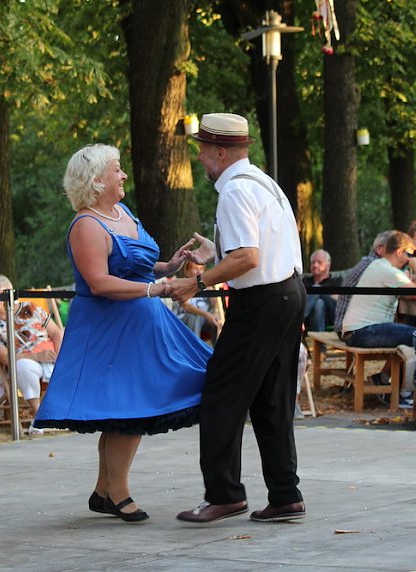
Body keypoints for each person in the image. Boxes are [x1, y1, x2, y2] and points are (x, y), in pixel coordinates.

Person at [33, 143, 210, 524]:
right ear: (97, 180)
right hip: (109, 329)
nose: (123, 175)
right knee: (125, 410)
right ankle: (118, 493)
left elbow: (141, 267)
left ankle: (103, 491)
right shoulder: (86, 225)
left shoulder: (122, 212)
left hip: (142, 326)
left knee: (128, 409)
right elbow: (99, 283)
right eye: (117, 169)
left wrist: (170, 265)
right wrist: (157, 289)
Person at [169, 113, 305, 524]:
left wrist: (198, 283)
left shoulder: (232, 193)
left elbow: (248, 258)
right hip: (288, 293)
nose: (200, 160)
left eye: (204, 152)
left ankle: (225, 494)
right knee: (272, 401)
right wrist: (219, 249)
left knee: (221, 396)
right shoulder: (263, 183)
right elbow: (256, 248)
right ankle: (285, 494)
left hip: (260, 302)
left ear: (222, 151)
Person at [0, 274, 64, 432]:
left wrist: (61, 360)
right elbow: (5, 358)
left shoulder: (30, 308)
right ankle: (41, 416)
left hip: (51, 356)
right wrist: (36, 356)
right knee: (23, 367)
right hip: (23, 361)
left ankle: (65, 413)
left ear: (10, 292)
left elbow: (56, 334)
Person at [340, 231, 416, 349]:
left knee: (413, 333)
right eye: (410, 255)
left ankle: (391, 369)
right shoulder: (389, 272)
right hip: (365, 331)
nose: (409, 260)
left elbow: (409, 295)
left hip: (355, 332)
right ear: (399, 252)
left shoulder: (378, 265)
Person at [333, 231, 392, 337]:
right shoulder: (376, 266)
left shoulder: (369, 262)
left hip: (345, 327)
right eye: (394, 248)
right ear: (380, 249)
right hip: (351, 330)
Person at [173, 261, 222, 343]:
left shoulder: (207, 287)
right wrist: (206, 315)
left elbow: (215, 307)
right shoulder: (182, 286)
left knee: (216, 321)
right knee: (194, 317)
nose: (199, 272)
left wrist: (215, 313)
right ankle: (194, 348)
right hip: (184, 320)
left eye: (201, 269)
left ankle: (218, 351)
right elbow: (186, 306)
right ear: (187, 272)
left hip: (202, 321)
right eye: (195, 269)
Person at [302, 249, 341, 332]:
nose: (315, 265)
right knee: (318, 303)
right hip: (309, 318)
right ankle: (320, 342)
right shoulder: (305, 281)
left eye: (319, 262)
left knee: (316, 289)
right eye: (313, 262)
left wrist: (318, 291)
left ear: (328, 265)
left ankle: (297, 320)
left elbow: (337, 301)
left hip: (331, 315)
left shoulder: (336, 281)